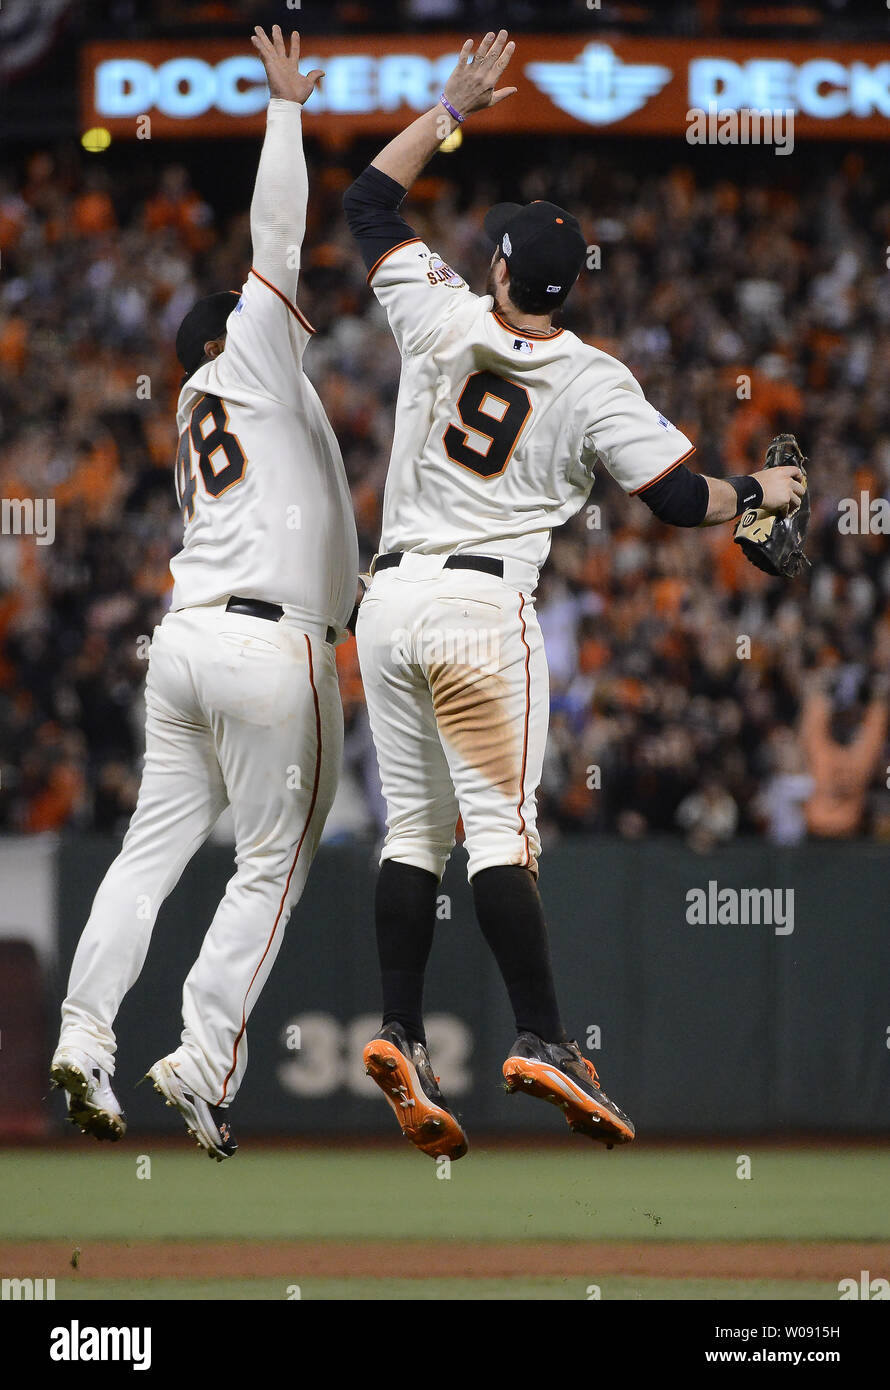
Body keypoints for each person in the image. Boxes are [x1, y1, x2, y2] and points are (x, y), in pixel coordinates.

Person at [343, 29, 805, 1159]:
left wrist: (449, 107)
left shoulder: (440, 314)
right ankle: (544, 1036)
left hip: (388, 601)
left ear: (497, 268)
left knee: (414, 828)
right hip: (480, 610)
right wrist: (760, 489)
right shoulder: (595, 377)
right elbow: (673, 498)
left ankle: (399, 1025)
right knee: (499, 831)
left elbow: (364, 206)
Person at [50, 27, 359, 1160]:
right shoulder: (253, 356)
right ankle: (200, 1051)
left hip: (184, 646)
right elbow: (276, 231)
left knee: (147, 856)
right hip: (271, 652)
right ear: (231, 331)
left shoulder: (200, 406)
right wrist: (283, 110)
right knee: (272, 859)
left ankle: (84, 1037)